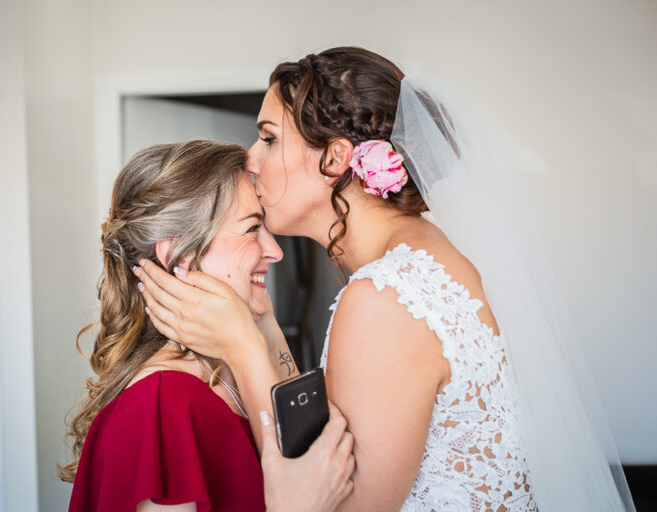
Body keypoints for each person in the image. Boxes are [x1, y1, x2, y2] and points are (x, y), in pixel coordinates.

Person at [134, 47, 635, 511]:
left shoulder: (387, 298)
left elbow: (336, 504)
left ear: (334, 159)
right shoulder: (423, 258)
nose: (250, 159)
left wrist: (243, 347)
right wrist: (262, 327)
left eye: (268, 138)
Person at [61, 140, 354, 512]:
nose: (276, 251)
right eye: (252, 229)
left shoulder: (232, 373)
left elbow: (311, 448)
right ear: (181, 256)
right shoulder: (164, 405)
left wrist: (261, 326)